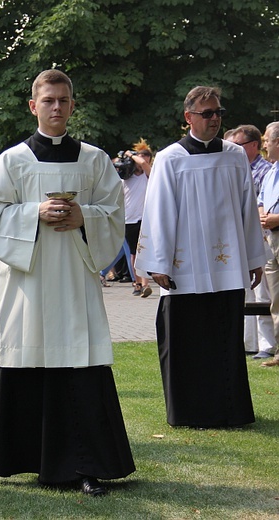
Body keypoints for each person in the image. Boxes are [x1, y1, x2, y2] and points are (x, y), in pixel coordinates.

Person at [0, 69, 134, 496]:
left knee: (79, 367)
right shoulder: (12, 160)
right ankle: (24, 457)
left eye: (64, 100)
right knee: (32, 359)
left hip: (75, 281)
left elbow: (115, 215)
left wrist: (86, 217)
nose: (57, 107)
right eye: (49, 101)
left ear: (72, 105)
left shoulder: (95, 160)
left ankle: (85, 465)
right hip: (29, 283)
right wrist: (33, 214)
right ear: (34, 106)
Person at [135, 86, 266, 427]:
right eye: (207, 113)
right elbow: (158, 212)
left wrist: (254, 256)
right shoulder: (169, 158)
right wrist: (158, 264)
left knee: (224, 339)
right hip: (185, 268)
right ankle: (188, 411)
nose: (215, 119)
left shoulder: (235, 155)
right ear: (188, 117)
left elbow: (247, 211)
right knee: (185, 342)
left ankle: (229, 409)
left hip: (228, 264)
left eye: (219, 112)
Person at [226, 125, 275, 359]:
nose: (234, 149)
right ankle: (249, 342)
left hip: (265, 235)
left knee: (264, 294)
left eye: (239, 145)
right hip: (243, 234)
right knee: (248, 292)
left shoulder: (265, 169)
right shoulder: (237, 167)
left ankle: (267, 343)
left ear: (253, 145)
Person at [120, 139, 153, 298]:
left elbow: (145, 165)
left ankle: (145, 283)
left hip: (144, 218)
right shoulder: (126, 176)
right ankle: (138, 282)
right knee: (133, 253)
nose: (141, 163)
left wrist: (130, 154)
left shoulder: (147, 175)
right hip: (128, 219)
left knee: (143, 251)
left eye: (145, 159)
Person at [258, 122, 279, 368]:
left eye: (267, 140)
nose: (264, 145)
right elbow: (261, 198)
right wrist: (264, 215)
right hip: (271, 240)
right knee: (276, 299)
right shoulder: (272, 171)